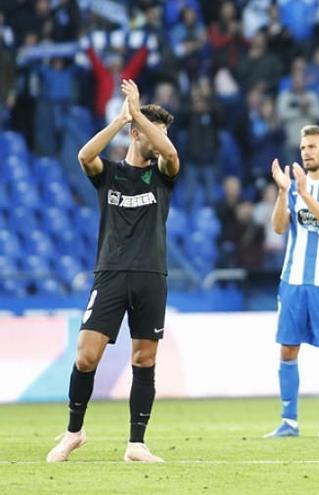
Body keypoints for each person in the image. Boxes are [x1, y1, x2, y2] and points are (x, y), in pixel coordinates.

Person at [47, 80, 179, 463]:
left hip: (152, 274)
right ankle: (74, 432)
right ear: (137, 134)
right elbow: (84, 155)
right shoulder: (110, 174)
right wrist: (122, 119)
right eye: (152, 131)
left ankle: (136, 444)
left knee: (144, 359)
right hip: (110, 272)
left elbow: (170, 151)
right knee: (86, 355)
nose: (160, 139)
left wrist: (138, 113)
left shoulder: (164, 174)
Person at [264, 125, 319, 438]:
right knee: (287, 350)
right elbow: (278, 228)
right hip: (293, 281)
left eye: (313, 146)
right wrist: (282, 192)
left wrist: (302, 193)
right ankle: (288, 421)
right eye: (304, 147)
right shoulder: (292, 188)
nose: (307, 152)